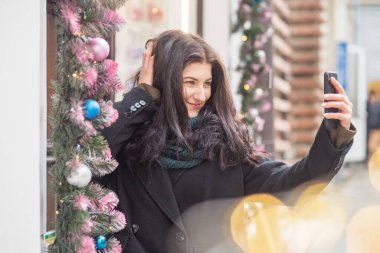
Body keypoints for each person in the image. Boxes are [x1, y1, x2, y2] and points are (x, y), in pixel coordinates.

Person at [99, 30, 356, 253]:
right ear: (163, 81)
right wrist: (142, 96)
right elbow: (93, 154)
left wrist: (334, 133)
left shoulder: (225, 149)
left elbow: (294, 184)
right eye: (190, 83)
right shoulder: (130, 144)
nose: (200, 95)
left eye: (207, 83)